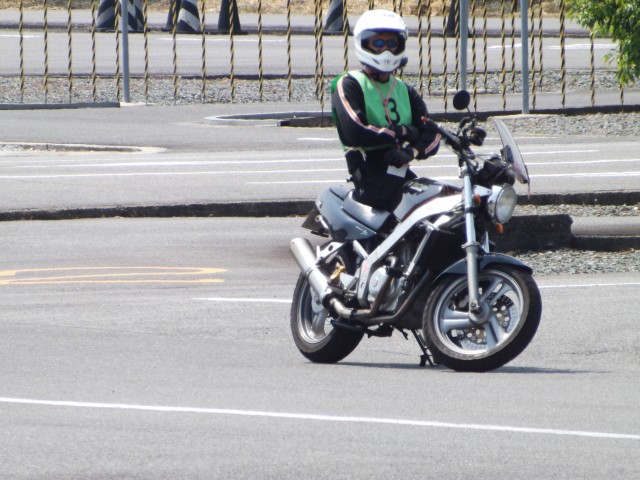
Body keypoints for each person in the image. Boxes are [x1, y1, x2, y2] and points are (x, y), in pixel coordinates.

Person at [331, 9, 441, 211]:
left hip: (400, 171)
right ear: (365, 44)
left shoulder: (404, 89)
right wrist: (402, 131)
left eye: (391, 43)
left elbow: (431, 132)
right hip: (369, 175)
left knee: (439, 203)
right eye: (378, 43)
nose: (386, 51)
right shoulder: (349, 83)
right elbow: (355, 131)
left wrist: (411, 152)